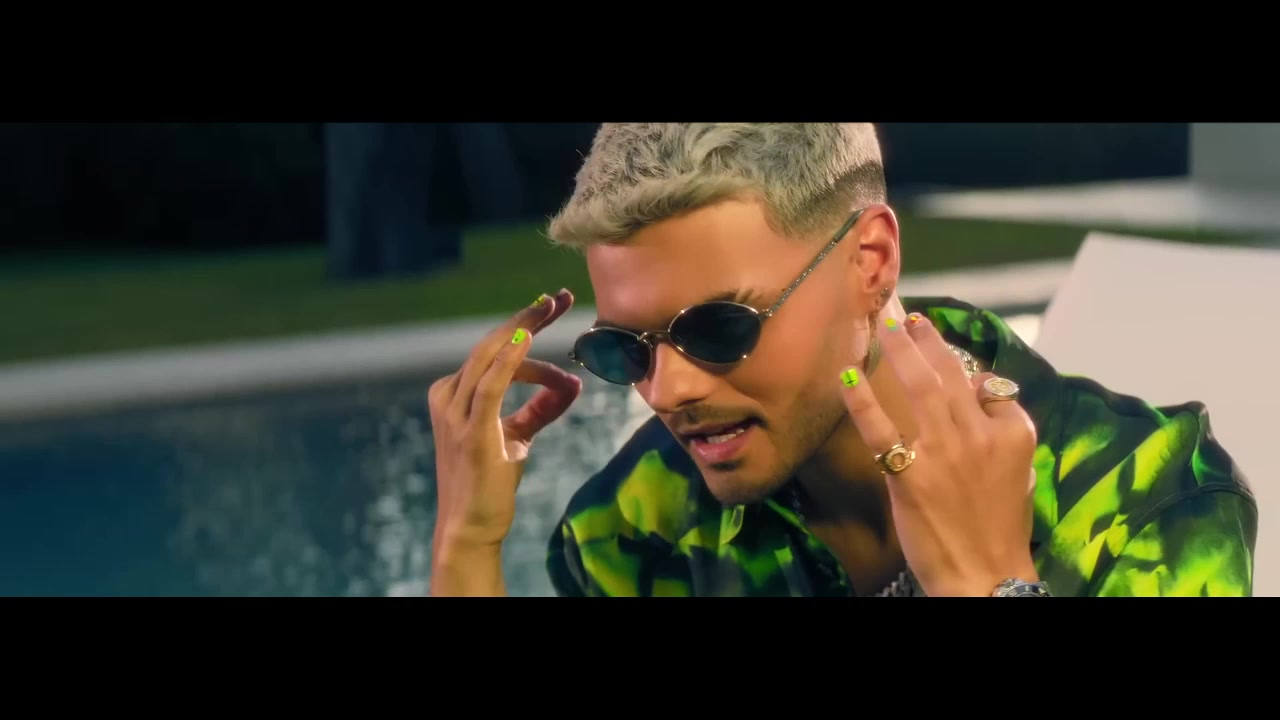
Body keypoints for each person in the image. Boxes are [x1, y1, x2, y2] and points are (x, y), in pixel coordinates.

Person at [427, 123, 1258, 597]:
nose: (668, 390)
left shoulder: (1147, 502)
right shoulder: (636, 528)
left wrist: (988, 584)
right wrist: (468, 541)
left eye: (720, 328)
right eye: (626, 349)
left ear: (870, 263)